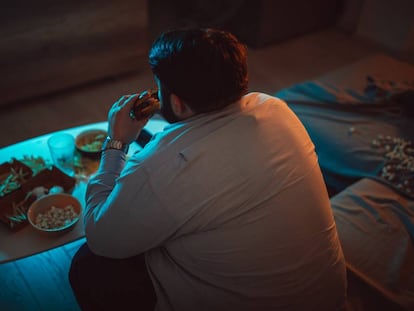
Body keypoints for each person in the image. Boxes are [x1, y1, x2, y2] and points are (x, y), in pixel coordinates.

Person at [69, 28, 347, 311]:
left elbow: (102, 236)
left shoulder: (169, 165)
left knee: (88, 265)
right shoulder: (276, 108)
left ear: (177, 102)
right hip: (329, 297)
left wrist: (115, 143)